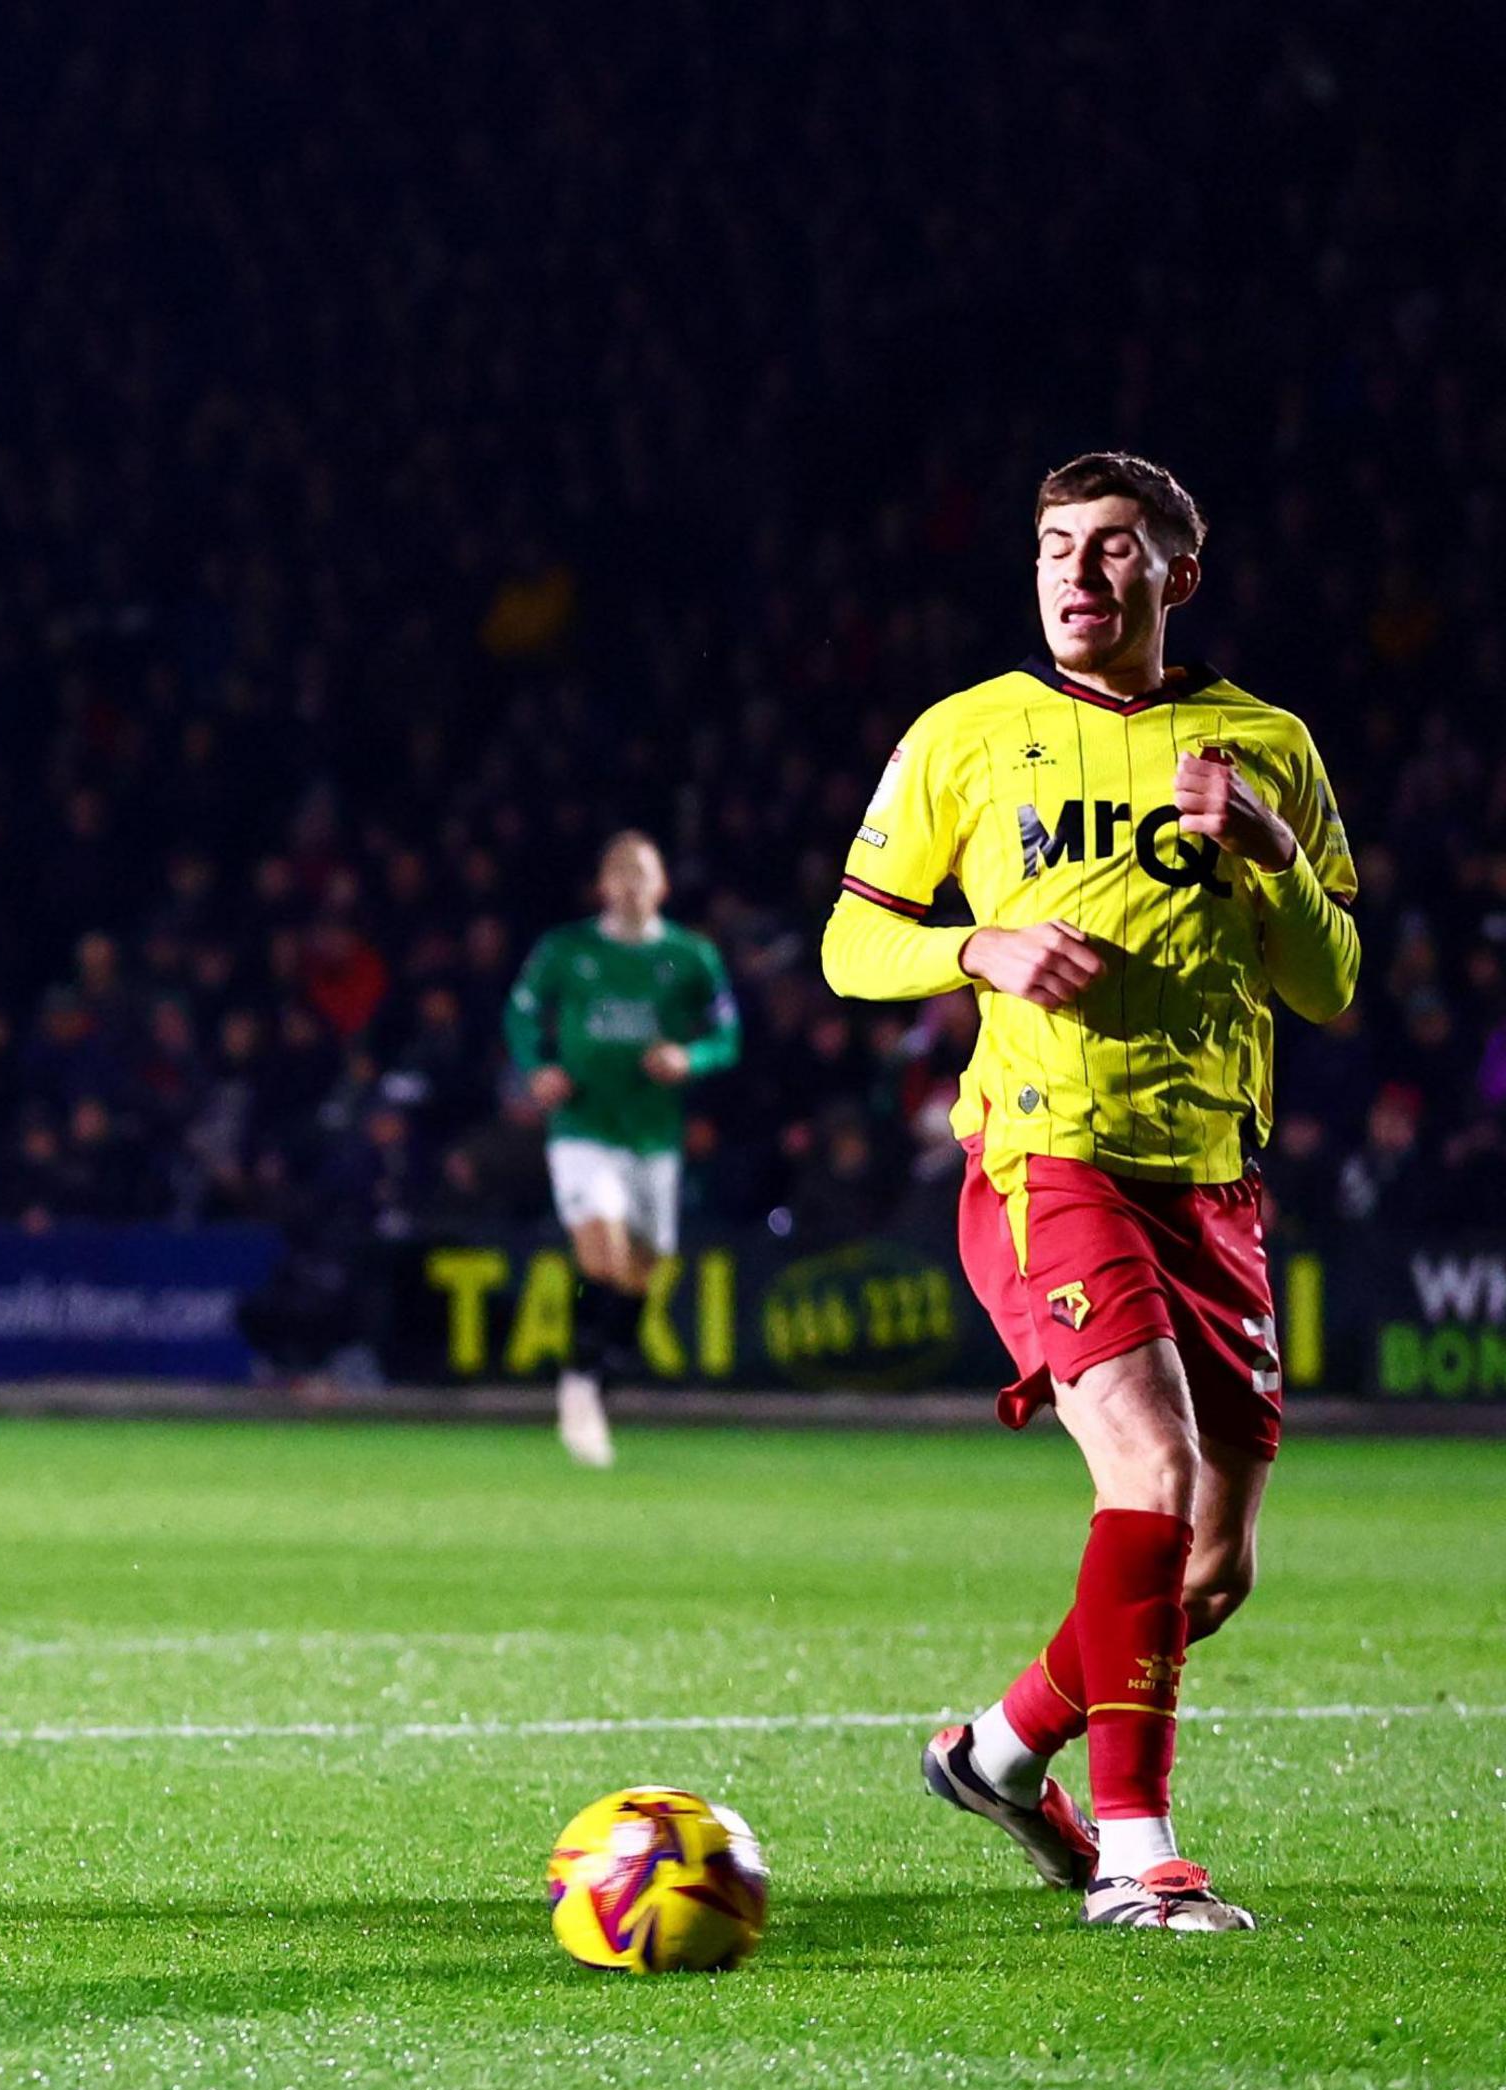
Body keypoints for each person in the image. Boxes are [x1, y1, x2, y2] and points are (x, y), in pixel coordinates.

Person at [826, 453, 1357, 1932]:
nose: (1077, 574)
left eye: (1113, 548)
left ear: (1175, 576)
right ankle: (1137, 1850)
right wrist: (971, 949)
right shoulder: (970, 735)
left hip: (1213, 1185)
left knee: (1205, 1569)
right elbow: (848, 944)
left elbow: (1331, 982)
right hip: (1045, 1157)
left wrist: (1264, 853)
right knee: (1152, 1478)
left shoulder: (1269, 749)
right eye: (1057, 545)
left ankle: (998, 1756)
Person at [502, 832, 739, 1467]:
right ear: (603, 886)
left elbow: (729, 1034)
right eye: (620, 874)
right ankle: (578, 1386)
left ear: (661, 886)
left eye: (643, 875)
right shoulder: (566, 950)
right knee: (602, 1254)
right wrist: (538, 1066)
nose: (631, 885)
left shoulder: (691, 956)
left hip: (653, 1135)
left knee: (641, 1271)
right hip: (584, 1128)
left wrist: (690, 1056)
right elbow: (521, 1012)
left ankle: (600, 1377)